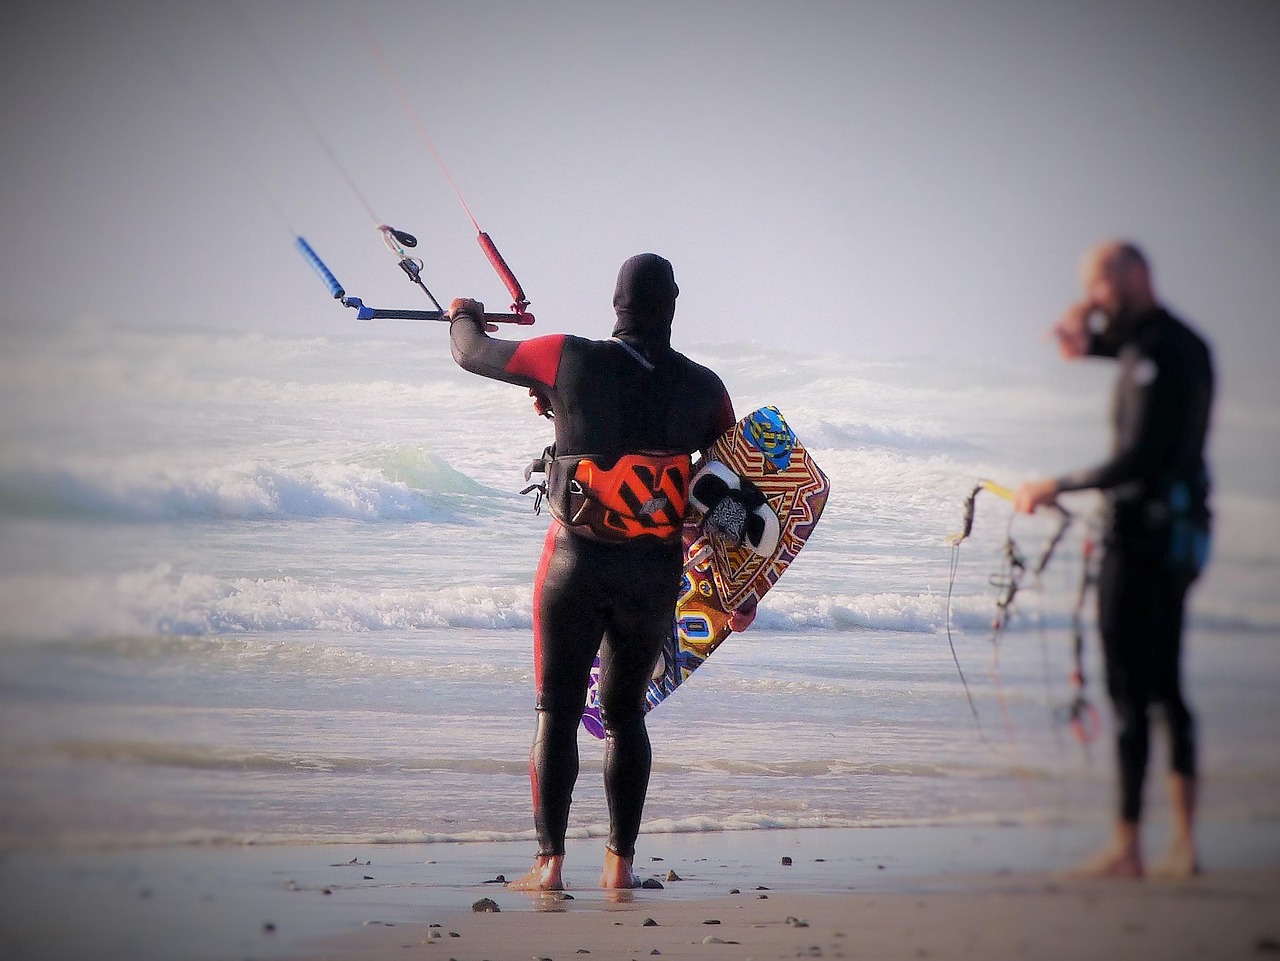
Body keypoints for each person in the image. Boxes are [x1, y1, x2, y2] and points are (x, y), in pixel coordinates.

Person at [447, 253, 745, 890]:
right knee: (625, 715)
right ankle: (619, 866)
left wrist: (463, 313)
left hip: (574, 565)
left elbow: (472, 352)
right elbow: (729, 491)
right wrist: (736, 591)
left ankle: (548, 866)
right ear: (672, 306)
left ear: (616, 304)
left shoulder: (568, 359)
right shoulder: (706, 389)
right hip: (653, 575)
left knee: (556, 710)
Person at [1014, 241, 1214, 879]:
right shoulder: (1159, 346)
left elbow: (1140, 459)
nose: (1094, 299)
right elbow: (1111, 346)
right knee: (1150, 689)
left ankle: (1149, 846)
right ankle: (1157, 844)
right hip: (1158, 535)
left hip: (1152, 539)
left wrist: (1055, 485)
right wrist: (1085, 323)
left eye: (1100, 285)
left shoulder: (1166, 352)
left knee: (1144, 691)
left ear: (1137, 275)